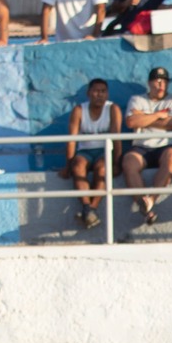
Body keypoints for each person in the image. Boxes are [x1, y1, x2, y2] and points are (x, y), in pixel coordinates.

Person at [120, 67, 172, 227]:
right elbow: (131, 122)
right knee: (129, 162)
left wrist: (143, 117)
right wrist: (158, 115)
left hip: (166, 145)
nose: (161, 85)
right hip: (141, 147)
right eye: (158, 81)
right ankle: (147, 210)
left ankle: (150, 201)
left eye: (165, 81)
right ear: (149, 83)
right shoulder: (136, 99)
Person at [65, 78, 119, 230]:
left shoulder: (112, 109)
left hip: (104, 151)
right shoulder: (79, 110)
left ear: (107, 94)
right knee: (78, 166)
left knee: (102, 169)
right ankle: (87, 208)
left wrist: (116, 163)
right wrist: (67, 165)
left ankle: (91, 209)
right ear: (89, 93)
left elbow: (118, 140)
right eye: (96, 91)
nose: (99, 95)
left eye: (103, 91)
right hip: (85, 152)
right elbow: (71, 141)